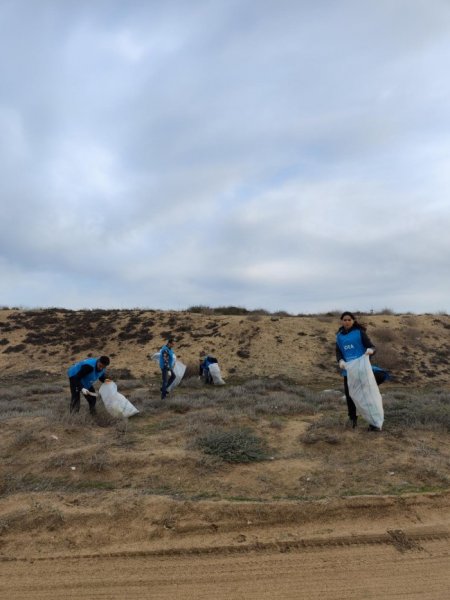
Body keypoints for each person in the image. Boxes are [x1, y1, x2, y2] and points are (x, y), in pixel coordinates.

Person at [335, 311, 381, 431]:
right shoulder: (339, 336)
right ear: (342, 321)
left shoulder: (359, 333)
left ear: (353, 321)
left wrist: (370, 351)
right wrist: (340, 360)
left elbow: (372, 346)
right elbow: (338, 351)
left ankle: (374, 423)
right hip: (348, 371)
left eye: (349, 319)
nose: (347, 322)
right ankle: (352, 420)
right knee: (350, 396)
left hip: (362, 370)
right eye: (344, 320)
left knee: (367, 396)